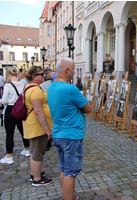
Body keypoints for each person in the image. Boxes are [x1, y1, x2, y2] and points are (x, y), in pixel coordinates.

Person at [47, 57, 92, 200]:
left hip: (59, 133)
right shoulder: (70, 89)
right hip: (71, 135)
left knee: (64, 169)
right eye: (73, 69)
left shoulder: (52, 86)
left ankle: (68, 197)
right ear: (67, 70)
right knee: (70, 173)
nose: (74, 72)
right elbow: (88, 108)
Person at [23, 65, 53, 186]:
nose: (44, 76)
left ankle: (35, 174)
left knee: (35, 151)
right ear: (34, 77)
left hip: (33, 124)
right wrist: (47, 128)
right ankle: (36, 178)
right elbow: (38, 111)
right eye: (41, 74)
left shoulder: (30, 87)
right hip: (37, 125)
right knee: (38, 152)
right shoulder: (35, 90)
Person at [0, 67, 30, 165]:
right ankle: (27, 149)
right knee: (23, 131)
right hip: (20, 109)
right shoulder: (22, 84)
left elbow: (4, 101)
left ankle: (9, 156)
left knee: (9, 134)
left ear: (8, 75)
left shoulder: (8, 86)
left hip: (10, 109)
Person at [40, 68, 55, 151]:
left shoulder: (42, 86)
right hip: (54, 105)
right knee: (54, 123)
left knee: (48, 124)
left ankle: (48, 144)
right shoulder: (54, 84)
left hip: (46, 106)